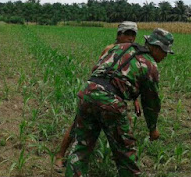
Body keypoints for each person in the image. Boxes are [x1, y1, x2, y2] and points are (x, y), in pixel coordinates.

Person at [65, 28, 174, 177]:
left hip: (87, 93)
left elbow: (96, 69)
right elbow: (151, 103)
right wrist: (152, 128)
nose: (165, 56)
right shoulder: (150, 65)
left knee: (81, 147)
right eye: (165, 52)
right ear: (155, 48)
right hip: (111, 101)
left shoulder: (119, 47)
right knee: (125, 153)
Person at [55, 21, 140, 169]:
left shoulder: (131, 54)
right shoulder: (110, 49)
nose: (130, 38)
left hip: (113, 97)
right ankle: (60, 155)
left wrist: (136, 99)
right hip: (96, 91)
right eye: (127, 34)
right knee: (77, 124)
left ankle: (118, 160)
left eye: (133, 35)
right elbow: (99, 71)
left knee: (123, 128)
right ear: (119, 35)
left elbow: (129, 78)